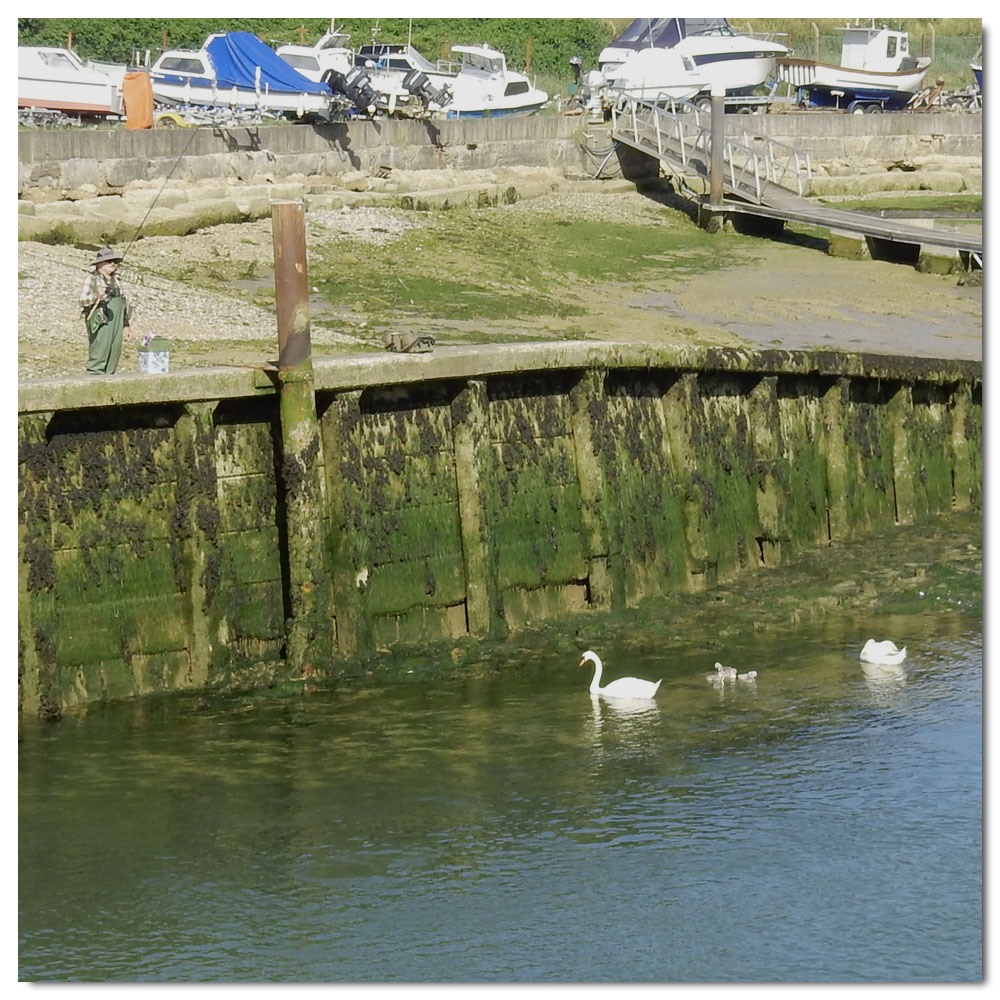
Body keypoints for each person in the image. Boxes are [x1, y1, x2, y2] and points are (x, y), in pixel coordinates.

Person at [79, 247, 133, 374]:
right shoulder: (91, 279)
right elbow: (82, 301)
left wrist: (126, 325)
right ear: (99, 264)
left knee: (114, 355)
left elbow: (123, 303)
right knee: (99, 355)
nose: (112, 264)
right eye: (108, 261)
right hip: (100, 322)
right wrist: (96, 295)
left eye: (114, 261)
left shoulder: (117, 280)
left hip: (117, 322)